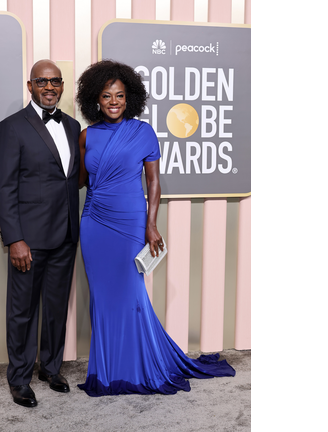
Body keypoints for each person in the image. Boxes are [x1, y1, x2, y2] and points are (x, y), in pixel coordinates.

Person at [74, 60, 236, 396]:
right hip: (94, 223)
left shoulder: (143, 132)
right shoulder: (86, 136)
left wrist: (151, 225)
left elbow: (154, 183)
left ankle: (138, 366)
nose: (114, 101)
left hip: (130, 222)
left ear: (129, 97)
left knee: (131, 295)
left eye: (119, 95)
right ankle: (106, 371)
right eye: (106, 96)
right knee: (102, 299)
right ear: (95, 100)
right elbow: (79, 182)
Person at [0, 59, 81, 408]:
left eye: (55, 81)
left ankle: (51, 368)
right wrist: (14, 238)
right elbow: (3, 188)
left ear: (61, 86)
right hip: (28, 240)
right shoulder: (12, 127)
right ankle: (19, 378)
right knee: (23, 310)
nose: (49, 87)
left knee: (57, 307)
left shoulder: (73, 126)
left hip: (65, 235)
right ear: (30, 86)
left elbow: (70, 179)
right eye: (42, 81)